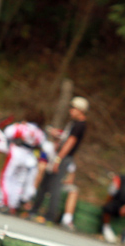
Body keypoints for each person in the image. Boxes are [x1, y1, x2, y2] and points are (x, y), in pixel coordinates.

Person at [30, 96, 88, 229]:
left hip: (63, 158)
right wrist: (57, 135)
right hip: (59, 156)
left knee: (55, 186)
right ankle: (34, 210)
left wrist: (58, 159)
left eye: (73, 108)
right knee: (45, 182)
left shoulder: (80, 125)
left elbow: (70, 143)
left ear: (80, 110)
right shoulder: (73, 123)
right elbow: (66, 138)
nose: (71, 110)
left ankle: (50, 216)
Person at [0, 108, 47, 214]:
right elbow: (43, 144)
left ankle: (1, 202)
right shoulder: (40, 133)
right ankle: (13, 205)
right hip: (29, 157)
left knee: (5, 178)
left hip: (16, 153)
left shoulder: (21, 127)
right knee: (19, 181)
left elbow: (7, 132)